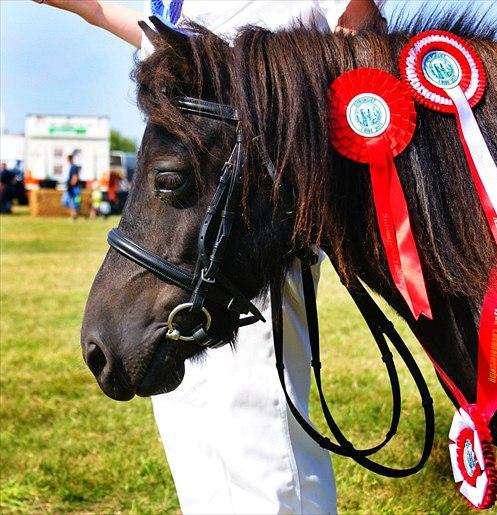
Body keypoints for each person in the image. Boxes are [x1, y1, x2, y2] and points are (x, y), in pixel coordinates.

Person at [36, 1, 385, 513]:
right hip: (190, 228)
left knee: (259, 444)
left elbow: (362, 40)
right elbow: (135, 25)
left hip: (247, 240)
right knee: (194, 440)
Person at [65, 154, 81, 220]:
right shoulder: (73, 166)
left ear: (69, 159)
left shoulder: (73, 167)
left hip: (74, 188)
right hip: (74, 188)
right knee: (72, 202)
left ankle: (74, 216)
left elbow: (75, 177)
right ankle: (74, 216)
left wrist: (71, 185)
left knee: (73, 202)